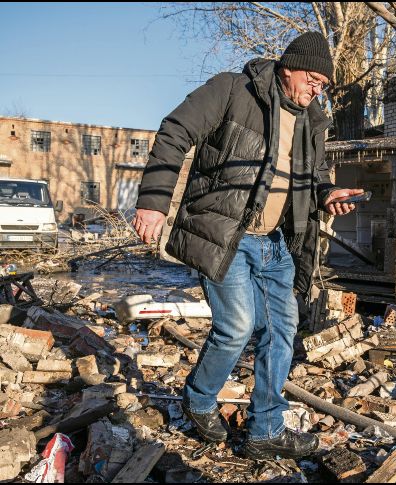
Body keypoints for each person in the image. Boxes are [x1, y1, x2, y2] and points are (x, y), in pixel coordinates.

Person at [131, 31, 363, 460]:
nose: (317, 89)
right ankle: (199, 399)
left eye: (324, 85)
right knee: (237, 327)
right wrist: (153, 202)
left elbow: (313, 179)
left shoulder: (313, 121)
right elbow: (174, 131)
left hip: (276, 242)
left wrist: (326, 194)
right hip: (225, 234)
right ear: (287, 67)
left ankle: (265, 430)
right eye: (312, 79)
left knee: (280, 333)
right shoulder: (233, 90)